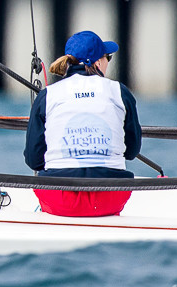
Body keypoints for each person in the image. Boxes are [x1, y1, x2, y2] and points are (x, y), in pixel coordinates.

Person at [23, 30, 142, 218]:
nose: (108, 62)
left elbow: (33, 160)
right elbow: (132, 151)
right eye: (107, 57)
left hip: (59, 200)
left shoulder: (48, 95)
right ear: (97, 62)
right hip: (111, 197)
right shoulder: (120, 92)